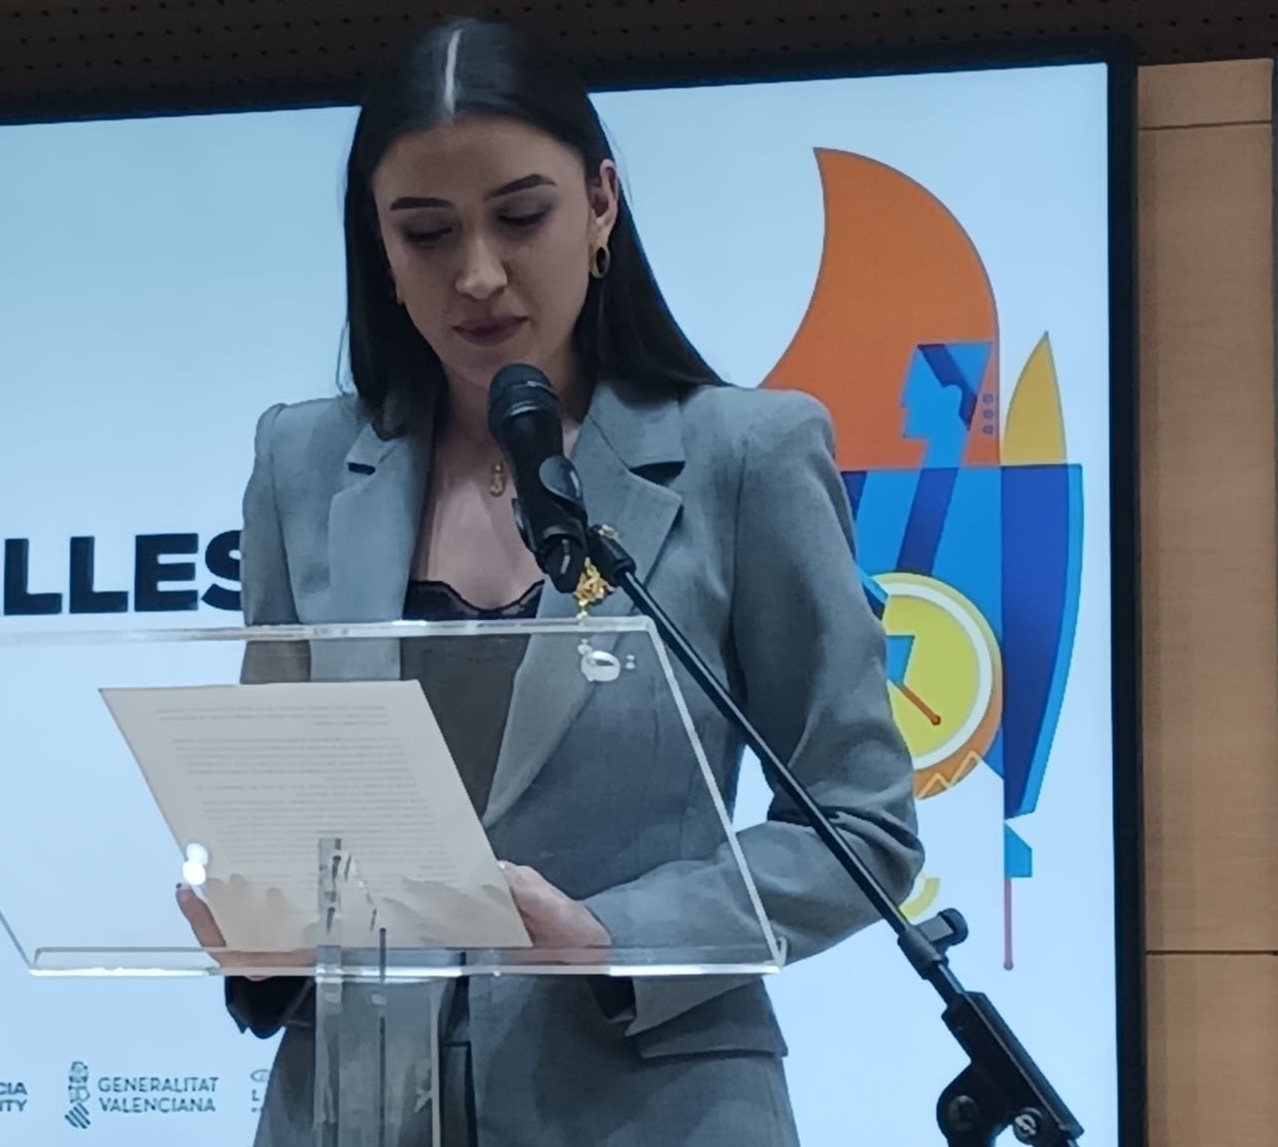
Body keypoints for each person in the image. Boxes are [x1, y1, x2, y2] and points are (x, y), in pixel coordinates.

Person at [177, 15, 922, 1147]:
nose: (478, 273)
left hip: (652, 1110)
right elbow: (285, 818)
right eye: (426, 232)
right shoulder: (300, 465)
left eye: (521, 217)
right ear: (378, 244)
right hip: (355, 1104)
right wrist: (263, 926)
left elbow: (860, 825)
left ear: (602, 204)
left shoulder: (746, 456)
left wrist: (618, 936)